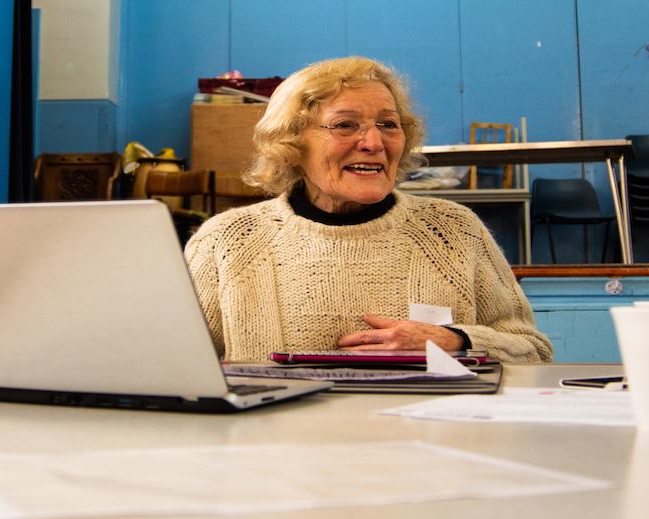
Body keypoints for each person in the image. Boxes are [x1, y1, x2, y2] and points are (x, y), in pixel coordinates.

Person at [184, 56, 553, 363]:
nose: (374, 142)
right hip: (283, 448)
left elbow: (533, 352)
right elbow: (174, 365)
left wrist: (456, 341)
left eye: (388, 125)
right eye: (346, 125)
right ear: (292, 141)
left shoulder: (453, 231)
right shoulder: (226, 242)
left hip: (430, 445)